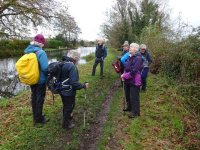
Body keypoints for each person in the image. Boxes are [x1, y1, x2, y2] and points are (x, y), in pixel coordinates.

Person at [59, 51, 89, 129]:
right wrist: (83, 85)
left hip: (61, 89)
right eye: (78, 59)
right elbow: (73, 83)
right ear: (75, 58)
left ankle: (67, 117)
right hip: (68, 91)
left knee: (66, 105)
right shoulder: (72, 66)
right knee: (69, 106)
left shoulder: (63, 62)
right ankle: (66, 124)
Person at [24, 34, 49, 125]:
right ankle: (39, 119)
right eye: (43, 43)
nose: (44, 45)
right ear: (41, 43)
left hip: (31, 78)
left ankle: (36, 116)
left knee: (34, 97)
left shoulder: (28, 51)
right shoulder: (41, 52)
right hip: (40, 80)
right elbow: (45, 68)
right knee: (40, 98)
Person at [121, 43, 143, 118]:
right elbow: (126, 68)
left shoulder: (138, 58)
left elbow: (134, 71)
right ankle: (129, 108)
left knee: (134, 97)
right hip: (128, 80)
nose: (130, 48)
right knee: (128, 96)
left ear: (136, 49)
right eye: (130, 47)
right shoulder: (130, 57)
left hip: (135, 81)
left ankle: (135, 113)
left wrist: (124, 76)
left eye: (132, 47)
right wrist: (123, 74)